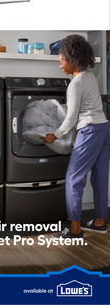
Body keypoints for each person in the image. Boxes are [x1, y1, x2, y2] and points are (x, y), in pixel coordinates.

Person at [42, 34, 110, 238]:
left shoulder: (75, 84)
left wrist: (55, 134)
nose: (60, 65)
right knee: (100, 178)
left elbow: (71, 118)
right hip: (104, 128)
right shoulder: (89, 77)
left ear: (72, 59)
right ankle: (99, 222)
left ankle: (74, 229)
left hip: (89, 131)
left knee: (73, 178)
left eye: (61, 61)